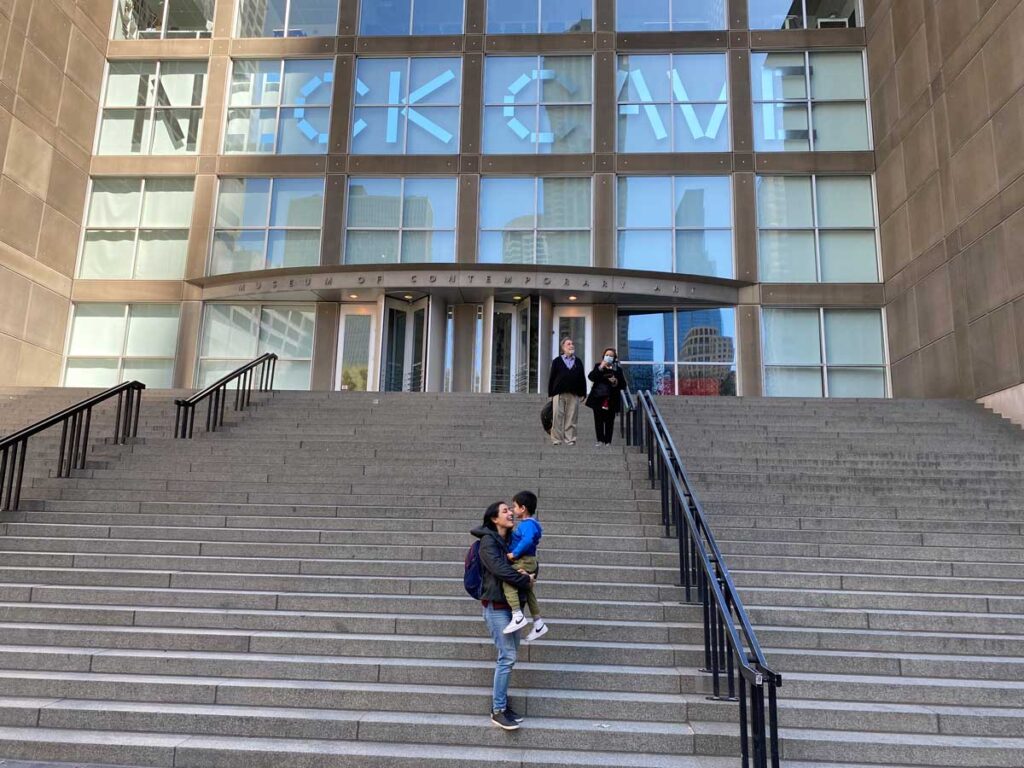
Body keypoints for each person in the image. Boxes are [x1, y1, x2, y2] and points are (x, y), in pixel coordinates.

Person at [470, 501, 535, 731]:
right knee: (506, 656)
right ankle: (497, 710)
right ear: (494, 519)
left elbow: (528, 560)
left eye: (511, 509)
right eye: (505, 511)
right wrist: (524, 580)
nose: (511, 514)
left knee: (510, 656)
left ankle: (503, 705)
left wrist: (530, 572)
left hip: (511, 607)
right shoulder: (487, 543)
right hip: (496, 607)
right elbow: (499, 569)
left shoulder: (510, 540)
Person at [501, 490, 548, 641]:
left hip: (524, 560)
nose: (512, 510)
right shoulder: (531, 524)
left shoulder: (527, 524)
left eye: (514, 507)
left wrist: (514, 554)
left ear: (523, 508)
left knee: (508, 581)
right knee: (528, 592)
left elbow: (527, 541)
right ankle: (538, 623)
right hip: (528, 559)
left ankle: (517, 614)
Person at [547, 337, 586, 446]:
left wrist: (583, 393)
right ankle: (556, 440)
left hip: (574, 393)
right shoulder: (557, 361)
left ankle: (570, 439)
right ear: (563, 347)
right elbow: (552, 377)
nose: (571, 345)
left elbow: (582, 377)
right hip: (558, 393)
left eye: (572, 343)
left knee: (572, 417)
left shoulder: (578, 361)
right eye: (569, 344)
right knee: (557, 417)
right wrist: (550, 393)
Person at [586, 347, 628, 446]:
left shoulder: (617, 370)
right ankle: (600, 440)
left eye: (611, 356)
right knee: (598, 419)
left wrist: (615, 381)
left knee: (609, 420)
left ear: (614, 358)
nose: (608, 357)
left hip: (611, 398)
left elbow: (623, 385)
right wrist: (601, 367)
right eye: (607, 355)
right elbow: (591, 377)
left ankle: (608, 441)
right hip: (598, 397)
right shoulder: (598, 366)